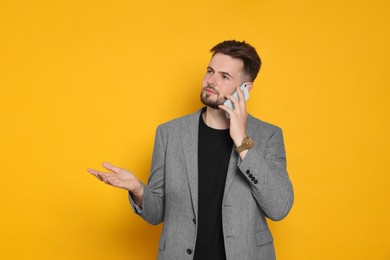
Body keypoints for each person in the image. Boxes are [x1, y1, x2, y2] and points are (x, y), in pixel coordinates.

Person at [87, 40, 294, 260]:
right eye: (210, 71)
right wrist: (139, 190)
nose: (211, 81)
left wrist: (242, 142)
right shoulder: (169, 134)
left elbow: (279, 208)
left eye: (224, 76)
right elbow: (157, 213)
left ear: (246, 88)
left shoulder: (268, 136)